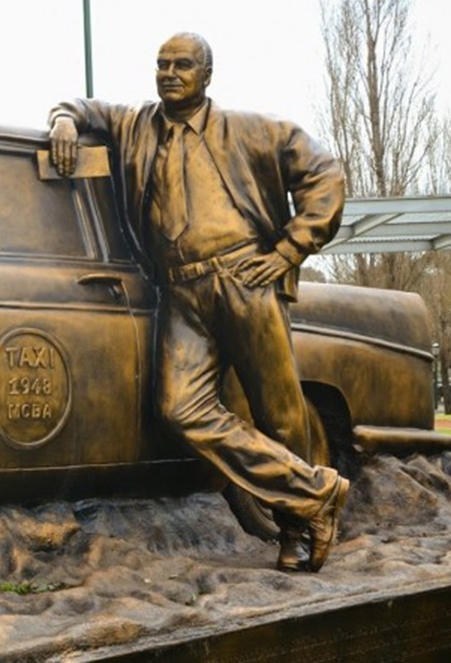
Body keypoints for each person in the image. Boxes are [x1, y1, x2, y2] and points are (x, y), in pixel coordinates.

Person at [47, 32, 349, 572]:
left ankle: (295, 533)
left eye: (182, 64)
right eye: (161, 64)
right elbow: (79, 105)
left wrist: (289, 249)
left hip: (245, 280)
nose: (169, 73)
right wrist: (64, 120)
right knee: (179, 408)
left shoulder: (252, 130)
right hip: (181, 292)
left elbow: (325, 174)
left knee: (279, 416)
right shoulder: (135, 125)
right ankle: (315, 493)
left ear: (206, 74)